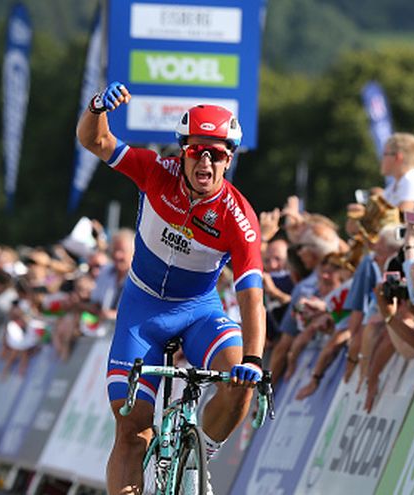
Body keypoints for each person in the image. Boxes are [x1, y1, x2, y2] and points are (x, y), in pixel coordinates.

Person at [77, 82, 266, 495]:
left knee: (240, 384)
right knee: (132, 430)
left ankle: (199, 459)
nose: (205, 160)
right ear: (183, 152)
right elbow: (96, 140)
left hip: (198, 310)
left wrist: (253, 359)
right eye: (197, 150)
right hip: (142, 311)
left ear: (229, 159)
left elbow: (252, 295)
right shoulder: (154, 171)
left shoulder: (238, 217)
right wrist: (97, 108)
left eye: (216, 153)